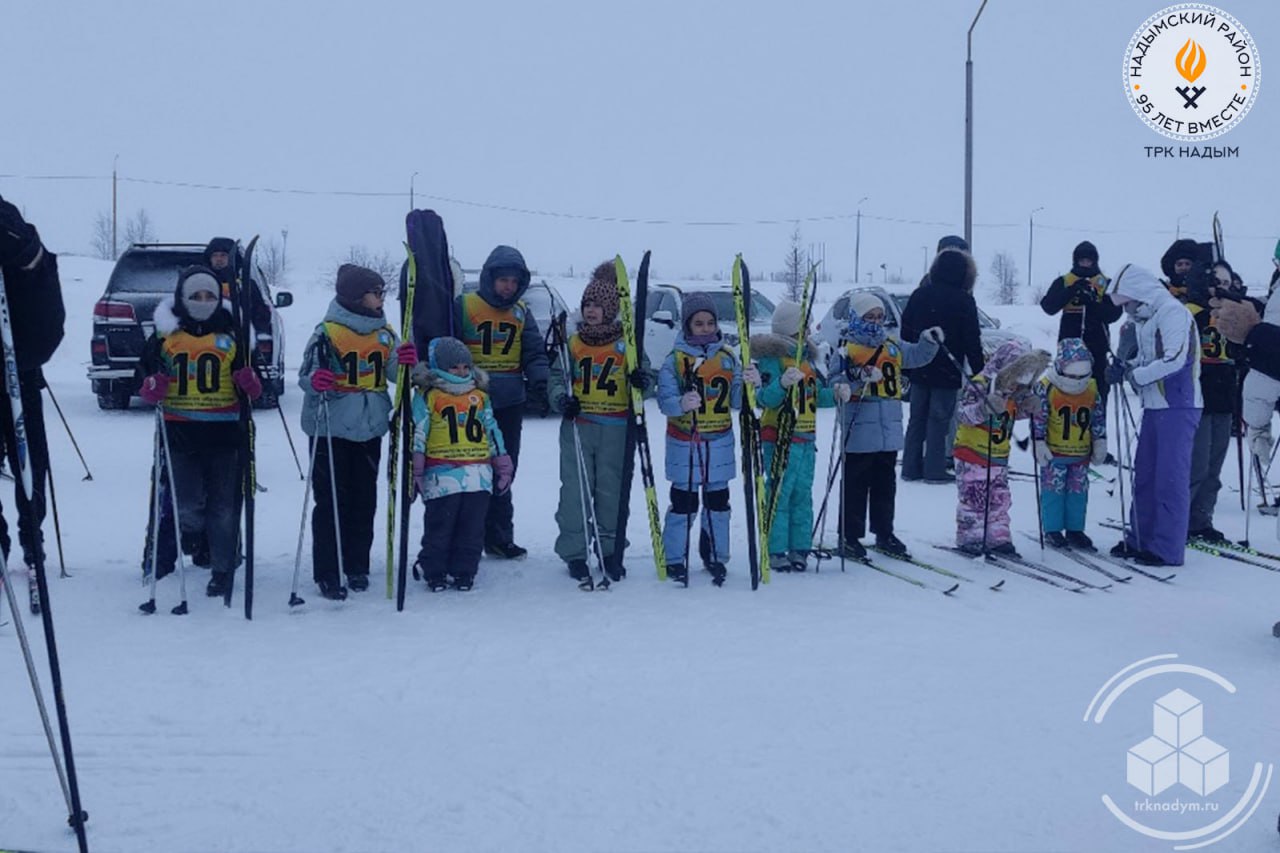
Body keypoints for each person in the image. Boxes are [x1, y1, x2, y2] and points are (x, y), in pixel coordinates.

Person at [137, 266, 263, 598]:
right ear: (182, 298)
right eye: (196, 296)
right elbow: (145, 371)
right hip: (180, 431)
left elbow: (256, 380)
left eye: (209, 295)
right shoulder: (166, 334)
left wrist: (250, 384)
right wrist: (151, 386)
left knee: (223, 507)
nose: (203, 302)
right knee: (187, 504)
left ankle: (222, 569)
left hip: (225, 432)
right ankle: (193, 537)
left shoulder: (233, 333)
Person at [297, 264, 417, 600]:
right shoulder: (327, 331)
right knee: (332, 501)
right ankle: (328, 570)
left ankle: (357, 565)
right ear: (355, 296)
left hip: (369, 426)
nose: (380, 298)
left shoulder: (384, 333)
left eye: (381, 292)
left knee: (364, 500)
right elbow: (308, 372)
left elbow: (395, 373)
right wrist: (315, 380)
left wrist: (407, 362)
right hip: (332, 425)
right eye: (374, 292)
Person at [549, 261, 648, 583]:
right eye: (586, 304)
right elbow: (556, 377)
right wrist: (561, 399)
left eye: (598, 305)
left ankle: (610, 549)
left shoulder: (627, 345)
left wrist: (641, 380)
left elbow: (648, 381)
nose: (591, 311)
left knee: (610, 494)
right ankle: (575, 552)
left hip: (616, 429)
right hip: (580, 426)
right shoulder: (574, 343)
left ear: (611, 309)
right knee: (575, 492)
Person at [830, 293, 942, 560]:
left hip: (888, 428)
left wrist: (928, 341)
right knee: (856, 484)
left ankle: (884, 532)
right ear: (856, 317)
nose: (876, 322)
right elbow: (834, 381)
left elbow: (915, 356)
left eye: (880, 317)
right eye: (870, 317)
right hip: (859, 425)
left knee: (885, 484)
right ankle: (849, 536)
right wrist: (857, 376)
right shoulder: (846, 348)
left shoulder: (891, 345)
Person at [656, 293, 759, 583]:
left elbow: (738, 400)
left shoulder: (727, 357)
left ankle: (715, 555)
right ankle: (674, 557)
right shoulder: (674, 361)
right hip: (684, 443)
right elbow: (664, 400)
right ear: (687, 325)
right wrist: (680, 404)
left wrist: (752, 383)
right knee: (683, 504)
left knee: (718, 504)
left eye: (710, 322)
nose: (705, 328)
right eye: (698, 323)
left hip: (720, 442)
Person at [456, 246, 549, 560]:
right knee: (470, 470)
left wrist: (539, 380)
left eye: (514, 281)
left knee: (504, 469)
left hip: (509, 403)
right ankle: (467, 537)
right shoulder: (465, 306)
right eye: (503, 280)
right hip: (468, 403)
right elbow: (448, 348)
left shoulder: (521, 312)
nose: (508, 286)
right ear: (489, 278)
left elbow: (534, 351)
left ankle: (498, 537)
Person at [1105, 265, 1201, 567]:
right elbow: (1149, 359)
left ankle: (1166, 548)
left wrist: (1136, 376)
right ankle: (1140, 539)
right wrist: (1125, 365)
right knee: (1145, 474)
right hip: (1155, 405)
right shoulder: (1145, 319)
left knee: (1169, 479)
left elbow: (1175, 359)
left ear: (1139, 294)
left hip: (1178, 404)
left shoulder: (1173, 313)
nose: (1127, 311)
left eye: (1127, 303)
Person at [0, 196, 65, 613]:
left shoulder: (14, 230)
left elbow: (48, 326)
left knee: (29, 462)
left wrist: (26, 260)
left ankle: (31, 536)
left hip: (18, 373)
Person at [410, 337, 513, 591]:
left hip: (477, 474)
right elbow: (419, 434)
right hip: (442, 474)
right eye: (454, 367)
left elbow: (492, 431)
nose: (461, 372)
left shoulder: (479, 395)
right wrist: (416, 470)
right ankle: (434, 570)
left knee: (472, 528)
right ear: (440, 367)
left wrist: (502, 464)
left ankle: (464, 571)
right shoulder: (429, 396)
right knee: (440, 526)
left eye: (466, 367)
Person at [752, 299, 836, 572]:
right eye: (804, 326)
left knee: (802, 494)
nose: (809, 331)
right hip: (779, 437)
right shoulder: (772, 359)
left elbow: (814, 397)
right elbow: (764, 399)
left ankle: (800, 546)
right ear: (791, 329)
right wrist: (781, 382)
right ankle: (775, 548)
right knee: (779, 492)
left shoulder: (807, 361)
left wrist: (835, 394)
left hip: (806, 439)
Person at [953, 341, 1049, 556]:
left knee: (999, 497)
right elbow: (963, 415)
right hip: (972, 453)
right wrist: (983, 407)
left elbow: (1011, 414)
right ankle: (971, 536)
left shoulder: (1015, 391)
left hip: (998, 455)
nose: (1017, 382)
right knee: (975, 498)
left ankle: (998, 535)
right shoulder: (979, 384)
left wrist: (1029, 408)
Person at [900, 241, 985, 483]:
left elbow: (905, 330)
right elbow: (972, 340)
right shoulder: (964, 300)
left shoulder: (920, 294)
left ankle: (910, 467)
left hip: (919, 368)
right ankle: (934, 470)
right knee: (939, 420)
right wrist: (980, 372)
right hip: (948, 371)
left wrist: (909, 359)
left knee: (916, 419)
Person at [1182, 259, 1241, 543]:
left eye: (1228, 283)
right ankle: (1180, 520)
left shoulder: (1234, 313)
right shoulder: (1191, 313)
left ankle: (1201, 520)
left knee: (1214, 468)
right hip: (1199, 397)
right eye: (1219, 282)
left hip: (1224, 397)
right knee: (1197, 465)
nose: (1224, 288)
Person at [1030, 338, 1107, 550]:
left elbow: (1097, 416)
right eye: (1072, 376)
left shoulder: (1091, 388)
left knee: (1078, 492)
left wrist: (1100, 440)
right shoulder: (1047, 387)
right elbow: (1039, 417)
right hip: (1054, 452)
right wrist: (1038, 442)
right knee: (1053, 491)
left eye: (1081, 376)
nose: (1077, 381)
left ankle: (1075, 529)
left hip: (1080, 453)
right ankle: (1053, 529)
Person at [1039, 241, 1122, 411]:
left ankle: (1098, 429)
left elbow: (1114, 314)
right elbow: (1048, 307)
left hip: (1098, 346)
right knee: (1067, 389)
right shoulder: (1064, 281)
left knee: (1098, 391)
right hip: (1069, 348)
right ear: (1075, 261)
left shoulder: (1105, 283)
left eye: (1088, 261)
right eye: (1081, 261)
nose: (1085, 264)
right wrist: (1071, 291)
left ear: (1095, 261)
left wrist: (1092, 303)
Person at [203, 237, 272, 333]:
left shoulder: (246, 286)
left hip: (240, 340)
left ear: (233, 258)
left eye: (223, 255)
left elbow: (261, 317)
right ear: (209, 259)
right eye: (215, 255)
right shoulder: (200, 284)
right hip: (205, 340)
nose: (218, 259)